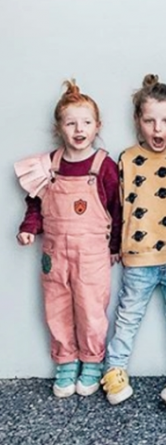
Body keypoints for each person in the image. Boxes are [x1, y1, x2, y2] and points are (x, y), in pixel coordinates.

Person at [14, 80, 121, 397]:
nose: (79, 129)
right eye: (71, 123)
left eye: (86, 122)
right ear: (59, 128)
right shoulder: (48, 166)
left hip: (92, 254)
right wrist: (28, 228)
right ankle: (65, 361)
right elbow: (35, 203)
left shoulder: (104, 166)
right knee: (57, 308)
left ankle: (91, 360)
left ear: (97, 126)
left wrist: (115, 246)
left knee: (91, 309)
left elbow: (116, 209)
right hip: (55, 254)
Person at [101, 75, 166, 409]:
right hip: (137, 257)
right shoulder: (126, 159)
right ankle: (114, 369)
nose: (158, 129)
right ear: (137, 121)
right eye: (150, 121)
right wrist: (114, 245)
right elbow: (116, 207)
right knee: (127, 316)